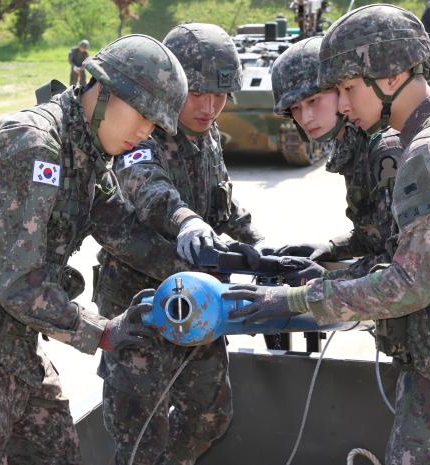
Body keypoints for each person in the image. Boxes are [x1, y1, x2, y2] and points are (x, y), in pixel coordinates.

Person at [225, 5, 430, 464]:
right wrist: (330, 255)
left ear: (389, 78)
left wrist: (293, 301)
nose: (342, 104)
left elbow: (409, 285)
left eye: (347, 88)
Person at [0, 34, 191, 465]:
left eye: (153, 125)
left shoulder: (86, 150)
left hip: (16, 345)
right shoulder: (35, 145)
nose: (145, 132)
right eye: (142, 116)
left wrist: (211, 264)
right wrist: (101, 332)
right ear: (103, 91)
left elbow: (125, 233)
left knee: (56, 451)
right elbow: (19, 283)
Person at [95, 23, 264, 465]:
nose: (210, 107)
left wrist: (265, 254)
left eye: (220, 95)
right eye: (198, 93)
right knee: (140, 441)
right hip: (142, 310)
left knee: (210, 416)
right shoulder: (141, 130)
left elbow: (224, 209)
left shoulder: (206, 137)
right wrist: (186, 222)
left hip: (199, 304)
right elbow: (146, 188)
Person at [266, 35, 403, 285]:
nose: (305, 117)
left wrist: (328, 280)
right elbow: (376, 235)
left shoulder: (384, 148)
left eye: (313, 101)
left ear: (340, 90)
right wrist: (332, 247)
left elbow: (400, 261)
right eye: (295, 109)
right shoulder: (353, 145)